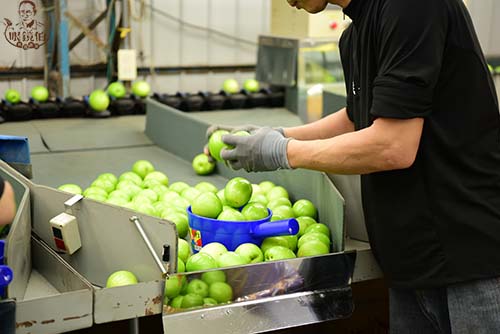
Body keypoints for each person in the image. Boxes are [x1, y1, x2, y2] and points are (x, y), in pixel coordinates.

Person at [207, 0, 500, 333]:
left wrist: (282, 152)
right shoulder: (355, 34)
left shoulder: (412, 7)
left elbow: (393, 145)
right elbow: (356, 118)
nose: (286, 1)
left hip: (469, 258)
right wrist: (274, 136)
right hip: (412, 262)